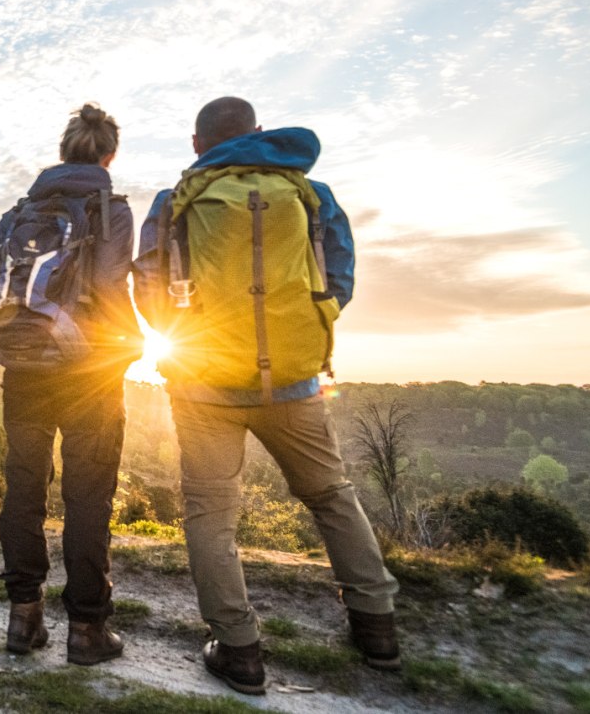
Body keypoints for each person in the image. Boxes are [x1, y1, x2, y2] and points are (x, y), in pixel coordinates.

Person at [134, 97, 400, 695]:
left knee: (209, 510)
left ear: (197, 144)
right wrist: (304, 330)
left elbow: (148, 286)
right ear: (258, 133)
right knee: (331, 494)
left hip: (202, 381)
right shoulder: (312, 193)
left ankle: (239, 652)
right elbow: (340, 278)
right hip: (295, 381)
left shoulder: (175, 198)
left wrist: (185, 334)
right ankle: (377, 628)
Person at [0, 104, 142, 665]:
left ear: (63, 151)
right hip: (89, 373)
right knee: (88, 498)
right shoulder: (110, 210)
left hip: (23, 368)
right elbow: (114, 291)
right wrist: (130, 348)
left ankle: (24, 619)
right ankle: (88, 632)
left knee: (23, 493)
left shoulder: (21, 210)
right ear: (109, 155)